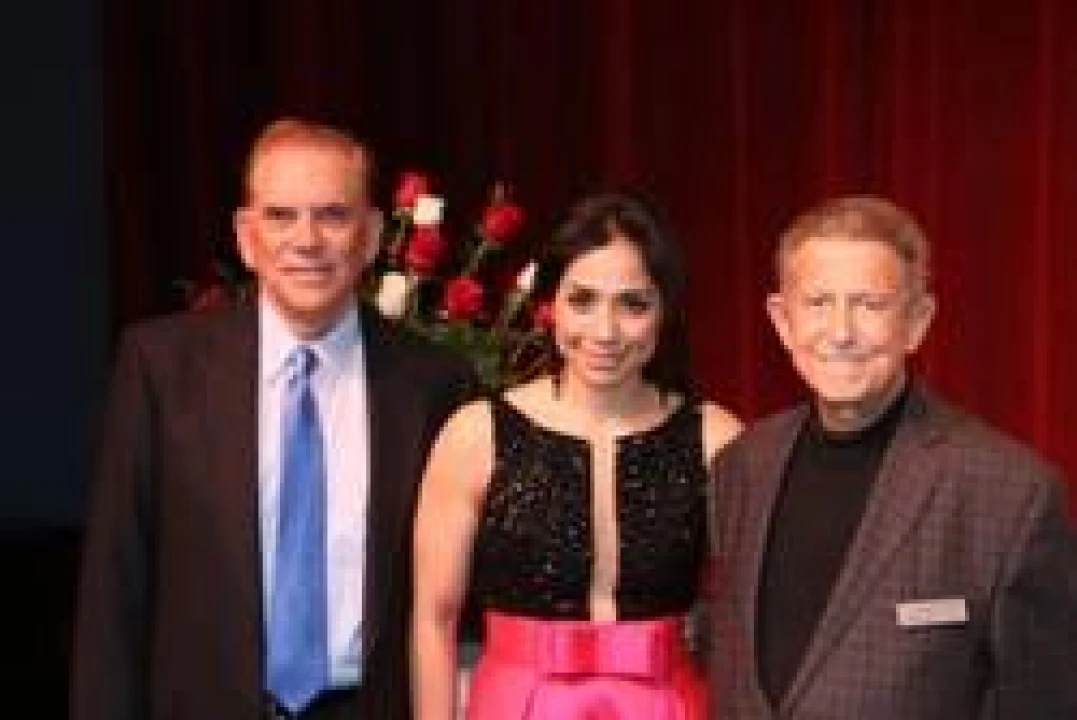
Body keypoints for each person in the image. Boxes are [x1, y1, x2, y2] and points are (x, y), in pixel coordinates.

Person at [71, 117, 475, 720]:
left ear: (371, 236)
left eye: (332, 215)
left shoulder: (433, 385)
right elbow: (115, 585)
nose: (306, 240)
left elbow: (459, 605)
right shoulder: (160, 370)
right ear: (246, 236)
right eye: (281, 216)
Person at [708, 195, 1077, 718]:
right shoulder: (741, 468)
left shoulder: (1011, 494)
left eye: (870, 305)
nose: (841, 332)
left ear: (917, 321)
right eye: (818, 303)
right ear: (782, 320)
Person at [412, 192, 743, 719]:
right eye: (582, 300)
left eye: (633, 304)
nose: (604, 332)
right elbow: (435, 617)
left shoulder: (716, 438)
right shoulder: (476, 434)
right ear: (551, 305)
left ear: (665, 312)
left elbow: (749, 614)